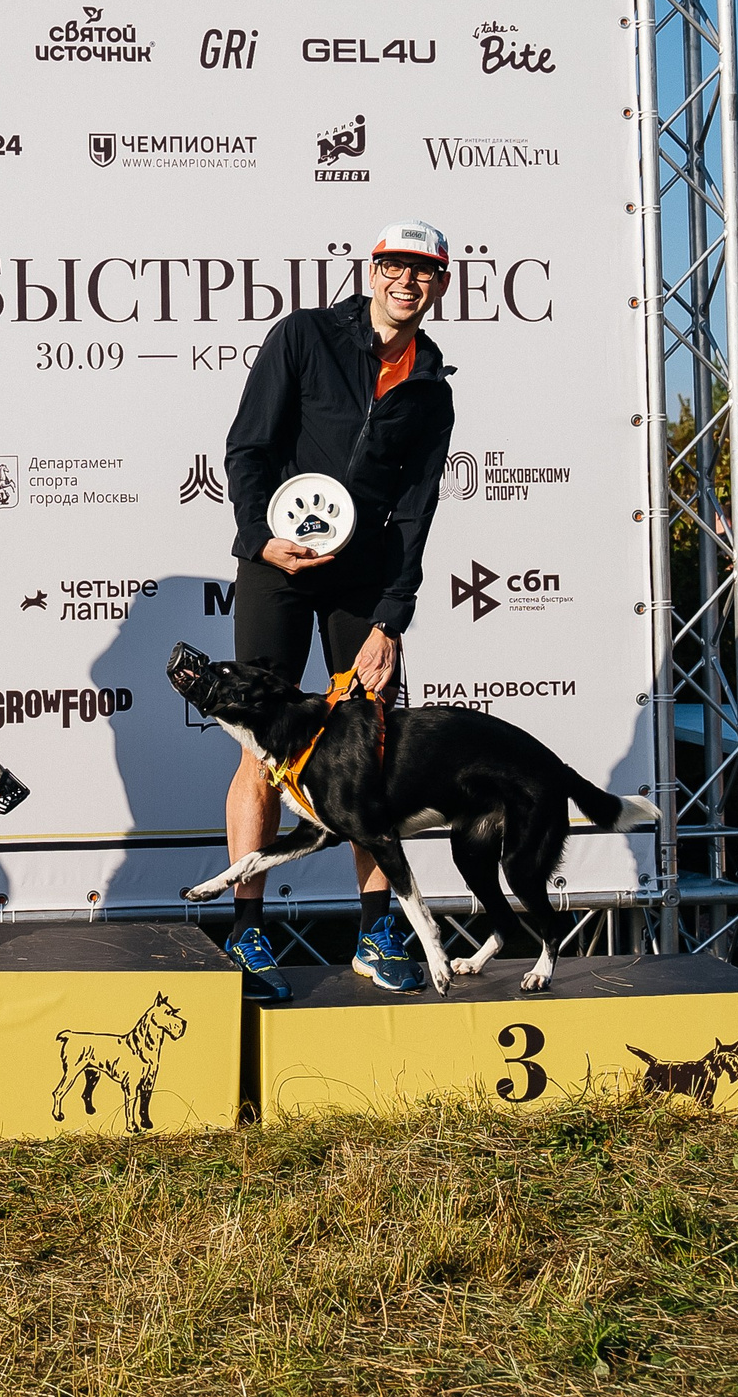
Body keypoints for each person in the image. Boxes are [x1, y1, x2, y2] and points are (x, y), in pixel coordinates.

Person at [218, 219, 457, 1002]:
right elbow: (249, 448)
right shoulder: (304, 336)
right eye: (394, 266)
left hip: (366, 587)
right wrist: (259, 541)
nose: (406, 282)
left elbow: (417, 512)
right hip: (279, 568)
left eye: (423, 272)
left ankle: (375, 927)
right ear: (373, 269)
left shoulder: (431, 386)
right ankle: (247, 928)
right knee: (262, 750)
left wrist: (392, 619)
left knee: (375, 752)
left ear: (440, 285)